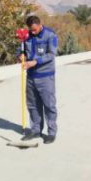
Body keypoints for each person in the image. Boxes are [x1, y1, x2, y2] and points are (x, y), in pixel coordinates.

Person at [18, 15, 58, 144]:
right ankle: (35, 130)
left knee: (49, 105)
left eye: (35, 30)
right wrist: (20, 55)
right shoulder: (26, 36)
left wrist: (35, 61)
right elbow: (21, 49)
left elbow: (51, 54)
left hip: (45, 76)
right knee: (33, 105)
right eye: (31, 30)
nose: (33, 32)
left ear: (40, 24)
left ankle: (51, 133)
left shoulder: (50, 35)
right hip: (30, 76)